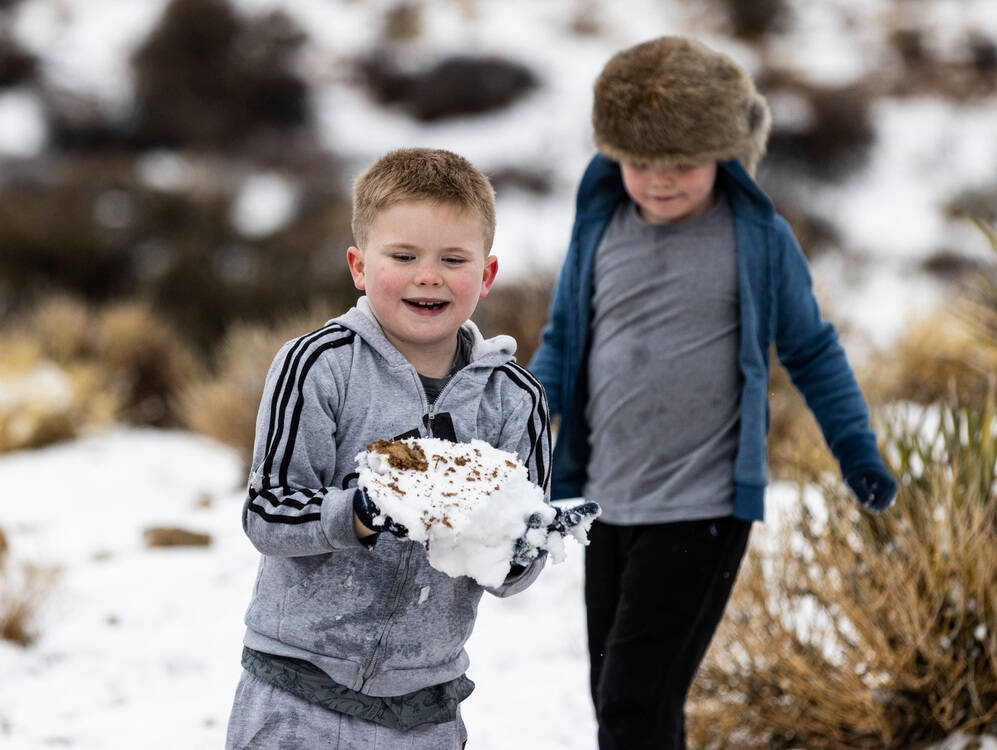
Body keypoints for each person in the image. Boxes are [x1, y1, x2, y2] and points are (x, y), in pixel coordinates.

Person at [528, 36, 898, 750]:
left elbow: (812, 350)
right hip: (608, 501)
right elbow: (562, 343)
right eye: (639, 163)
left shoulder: (757, 238)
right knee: (624, 702)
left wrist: (857, 450)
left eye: (682, 164)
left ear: (726, 153)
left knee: (633, 703)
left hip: (701, 508)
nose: (659, 181)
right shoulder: (600, 228)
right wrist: (515, 426)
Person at [225, 147, 594, 749]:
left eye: (454, 259)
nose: (429, 275)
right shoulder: (317, 365)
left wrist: (532, 537)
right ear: (359, 266)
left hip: (425, 708)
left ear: (487, 274)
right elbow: (268, 513)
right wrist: (365, 512)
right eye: (404, 256)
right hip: (296, 689)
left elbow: (507, 574)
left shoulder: (514, 399)